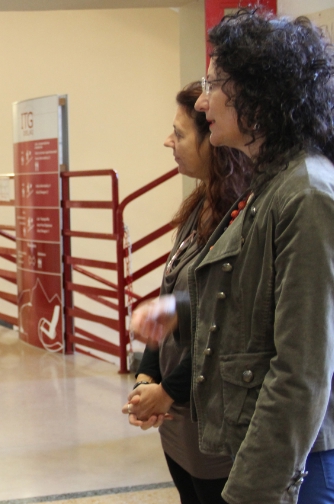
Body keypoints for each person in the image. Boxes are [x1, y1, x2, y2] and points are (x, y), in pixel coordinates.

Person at [132, 10, 334, 503]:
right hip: (268, 454)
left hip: (297, 464)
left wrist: (249, 491)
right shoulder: (273, 185)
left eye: (213, 84)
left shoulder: (305, 193)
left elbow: (301, 373)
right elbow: (249, 304)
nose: (203, 100)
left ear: (257, 97)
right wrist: (179, 311)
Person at [123, 82, 250, 504]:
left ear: (213, 140)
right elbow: (171, 297)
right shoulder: (200, 205)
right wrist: (147, 379)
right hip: (179, 425)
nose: (168, 141)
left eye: (179, 133)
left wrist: (167, 393)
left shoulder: (242, 216)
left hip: (212, 423)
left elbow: (225, 321)